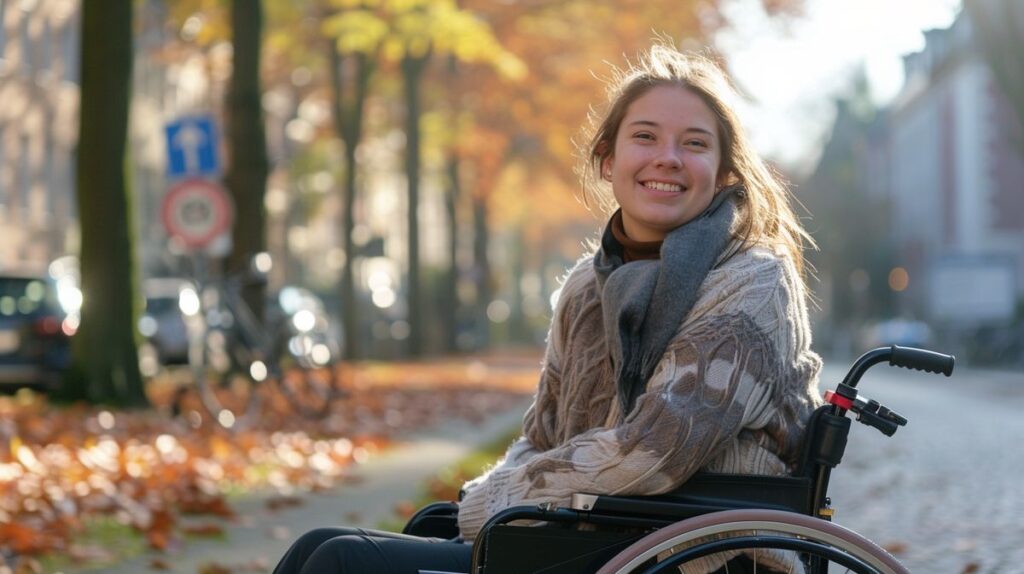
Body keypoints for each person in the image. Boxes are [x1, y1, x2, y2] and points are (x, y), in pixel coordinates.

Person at [273, 41, 822, 574]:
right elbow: (540, 437)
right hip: (585, 537)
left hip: (696, 554)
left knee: (341, 561)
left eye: (695, 144)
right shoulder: (588, 285)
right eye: (645, 136)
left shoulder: (752, 282)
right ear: (608, 161)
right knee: (319, 544)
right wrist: (493, 499)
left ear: (725, 172)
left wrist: (496, 502)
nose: (668, 158)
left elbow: (656, 449)